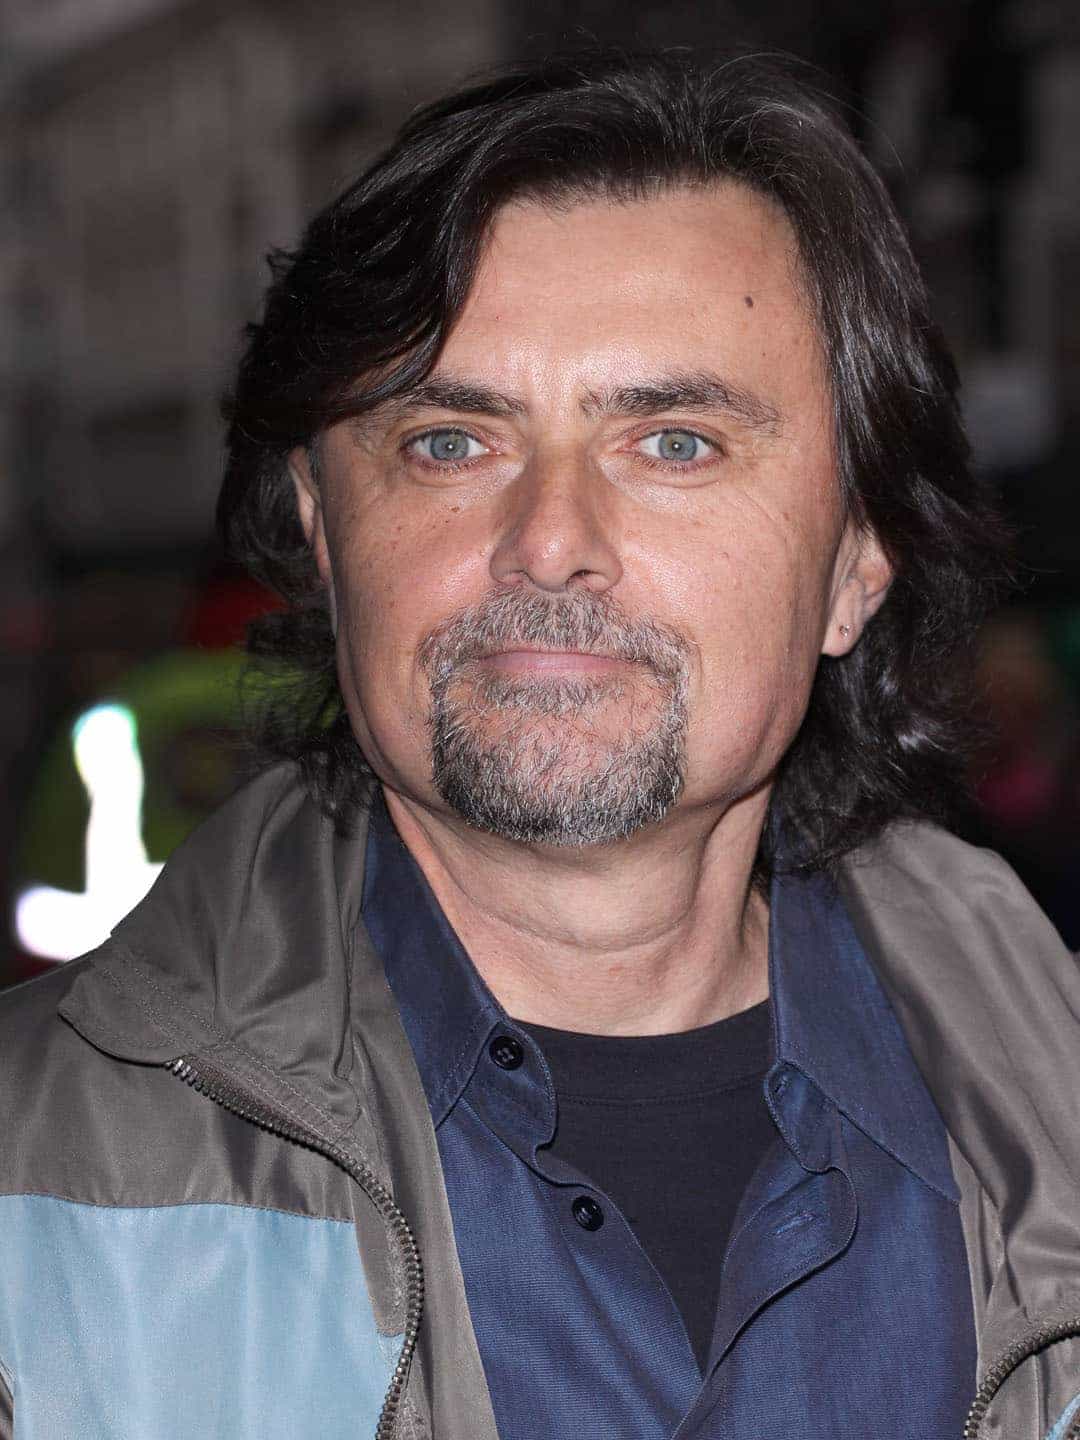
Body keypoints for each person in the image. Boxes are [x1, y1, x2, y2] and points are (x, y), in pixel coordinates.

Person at [1, 49, 1077, 1440]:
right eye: (451, 443)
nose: (550, 540)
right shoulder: (31, 1181)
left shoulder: (1049, 1104)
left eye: (675, 443)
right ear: (322, 529)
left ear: (856, 564)